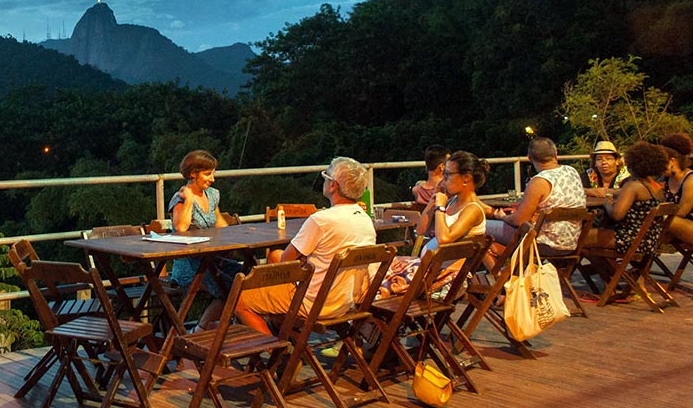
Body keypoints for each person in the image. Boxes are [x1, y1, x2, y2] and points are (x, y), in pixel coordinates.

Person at [235, 156, 376, 335]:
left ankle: (277, 353)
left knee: (240, 299)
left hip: (314, 303)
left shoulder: (321, 220)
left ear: (333, 185)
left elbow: (287, 260)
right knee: (274, 257)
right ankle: (283, 331)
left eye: (326, 177)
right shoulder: (365, 219)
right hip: (345, 301)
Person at [378, 151, 489, 299]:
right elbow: (421, 229)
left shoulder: (472, 209)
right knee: (378, 268)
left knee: (378, 278)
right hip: (429, 271)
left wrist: (440, 207)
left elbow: (444, 239)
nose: (443, 180)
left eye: (448, 174)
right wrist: (433, 200)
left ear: (466, 178)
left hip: (442, 279)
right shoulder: (452, 202)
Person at [168, 150, 242, 331]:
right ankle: (200, 330)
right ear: (193, 174)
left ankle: (239, 327)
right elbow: (181, 228)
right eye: (208, 174)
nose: (212, 179)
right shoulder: (180, 198)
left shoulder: (213, 195)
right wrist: (189, 201)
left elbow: (219, 223)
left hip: (213, 259)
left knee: (246, 276)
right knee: (230, 287)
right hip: (190, 264)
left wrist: (236, 237)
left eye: (213, 173)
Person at [484, 136, 586, 256]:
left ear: (529, 158)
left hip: (542, 244)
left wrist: (501, 217)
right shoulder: (572, 171)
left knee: (481, 225)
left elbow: (519, 220)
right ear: (556, 154)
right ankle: (502, 262)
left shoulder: (539, 181)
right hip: (571, 243)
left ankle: (496, 272)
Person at [584, 142, 668, 254]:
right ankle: (611, 271)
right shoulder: (655, 186)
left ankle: (609, 271)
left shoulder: (633, 186)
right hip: (650, 240)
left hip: (631, 240)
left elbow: (616, 215)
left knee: (578, 238)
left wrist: (606, 202)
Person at [660, 133, 693, 243]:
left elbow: (682, 211)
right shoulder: (665, 179)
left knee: (664, 219)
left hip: (687, 225)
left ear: (672, 161)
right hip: (676, 228)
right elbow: (647, 189)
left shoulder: (690, 180)